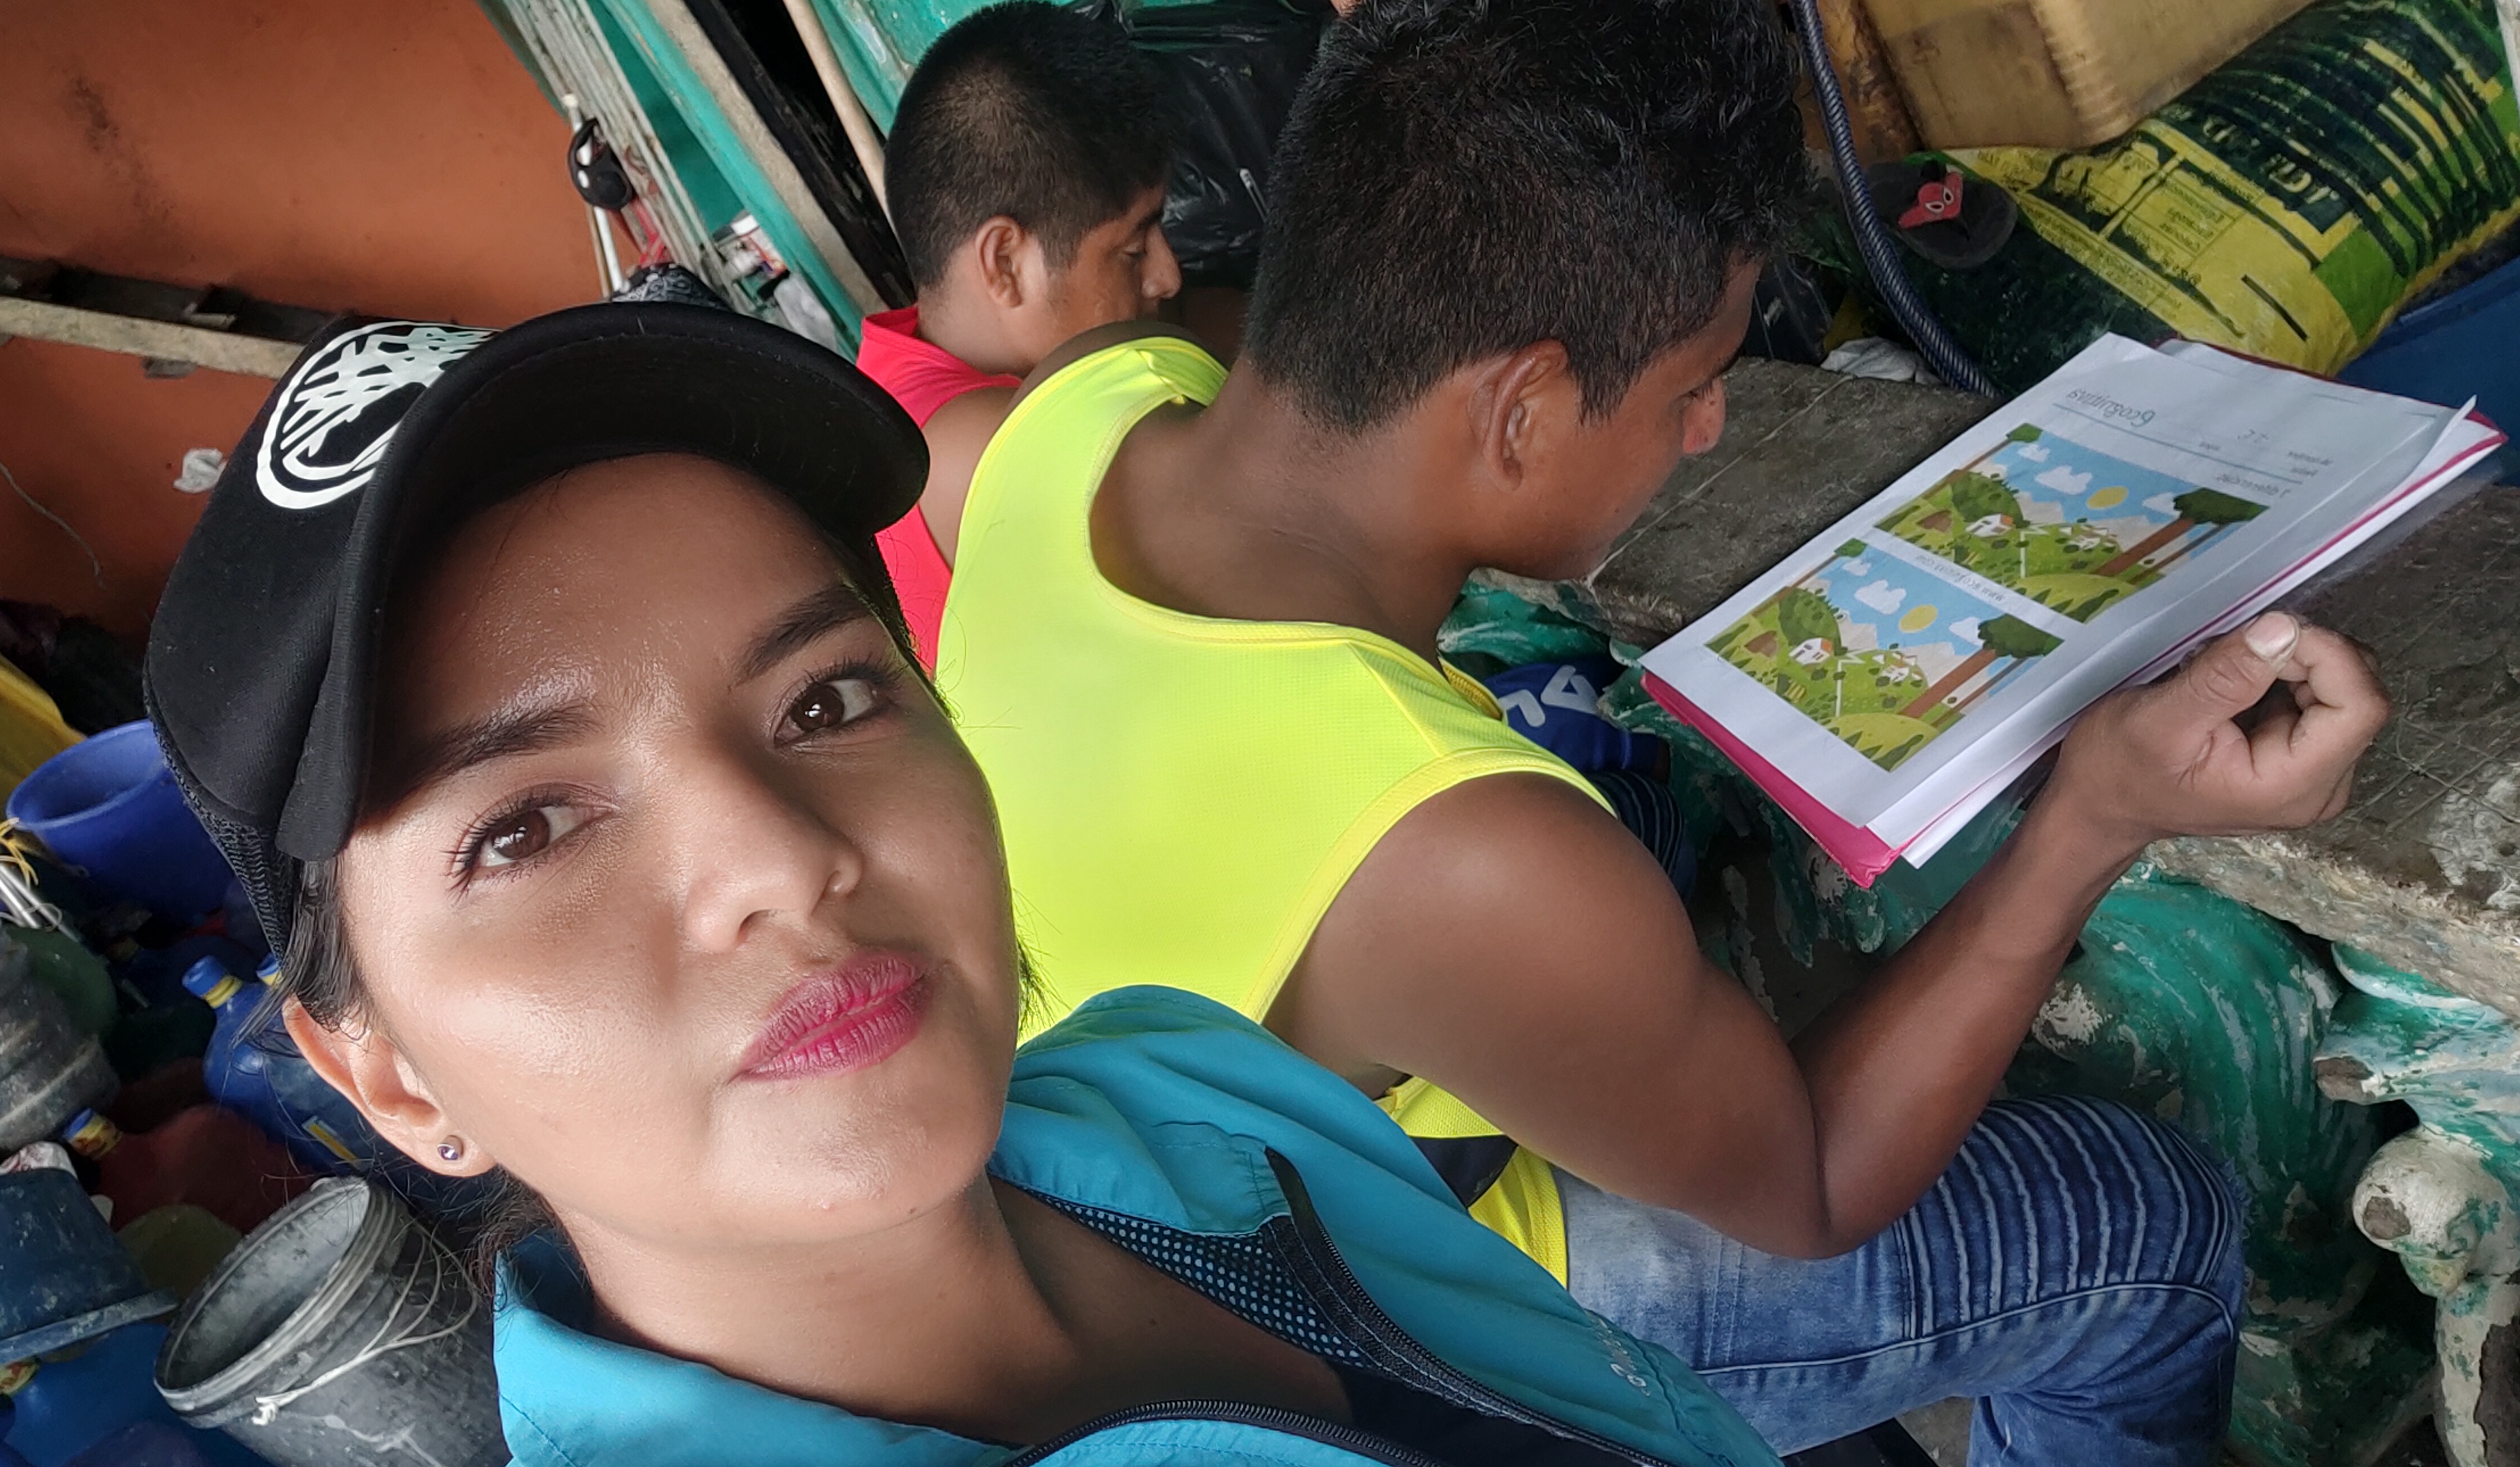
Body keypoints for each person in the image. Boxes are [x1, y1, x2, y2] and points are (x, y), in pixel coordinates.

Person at [931, 0, 2392, 1460]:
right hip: (1383, 1309)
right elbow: (1814, 1187)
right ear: (1520, 411)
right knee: (2143, 1227)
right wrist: (2094, 816)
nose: (1705, 429)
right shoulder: (1459, 853)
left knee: (1644, 824)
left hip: (1103, 1179)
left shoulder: (1069, 412)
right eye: (1691, 387)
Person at [140, 302, 1784, 1467]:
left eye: (826, 701)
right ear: (387, 1074)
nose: (784, 858)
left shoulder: (1178, 1082)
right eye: (525, 829)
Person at [863, 0, 1180, 667]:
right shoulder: (985, 452)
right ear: (1005, 262)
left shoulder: (895, 374)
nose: (1166, 276)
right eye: (1132, 249)